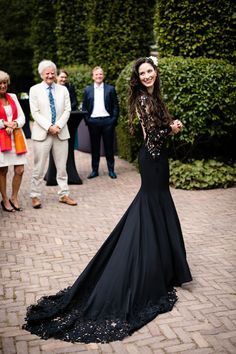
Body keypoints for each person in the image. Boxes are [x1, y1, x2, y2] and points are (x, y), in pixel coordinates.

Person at [23, 57, 192, 343]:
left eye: (150, 71)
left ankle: (164, 264)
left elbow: (155, 134)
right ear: (138, 79)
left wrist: (167, 128)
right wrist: (171, 129)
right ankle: (148, 264)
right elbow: (152, 137)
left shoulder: (155, 97)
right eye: (143, 73)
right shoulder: (142, 100)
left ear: (156, 73)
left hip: (158, 160)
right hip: (152, 160)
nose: (148, 76)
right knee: (149, 208)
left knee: (157, 206)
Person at [29, 60, 77, 208]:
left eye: (52, 73)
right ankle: (35, 196)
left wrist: (58, 126)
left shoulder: (63, 90)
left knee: (62, 167)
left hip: (61, 133)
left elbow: (67, 110)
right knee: (39, 167)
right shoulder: (34, 90)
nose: (50, 75)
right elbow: (35, 113)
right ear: (41, 74)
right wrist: (49, 126)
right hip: (42, 134)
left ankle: (64, 194)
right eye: (47, 73)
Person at [82, 66, 119, 179]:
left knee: (109, 147)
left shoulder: (110, 89)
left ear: (103, 76)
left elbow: (116, 106)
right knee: (95, 147)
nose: (99, 76)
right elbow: (84, 107)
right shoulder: (87, 90)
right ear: (93, 76)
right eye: (97, 74)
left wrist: (113, 120)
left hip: (108, 121)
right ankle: (94, 170)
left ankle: (111, 170)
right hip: (93, 122)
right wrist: (87, 120)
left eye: (101, 74)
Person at [0, 70, 27, 212]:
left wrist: (14, 124)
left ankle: (14, 197)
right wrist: (5, 124)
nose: (3, 86)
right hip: (1, 140)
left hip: (16, 138)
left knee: (20, 169)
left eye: (5, 83)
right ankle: (4, 199)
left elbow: (22, 117)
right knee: (2, 170)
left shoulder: (13, 97)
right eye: (0, 83)